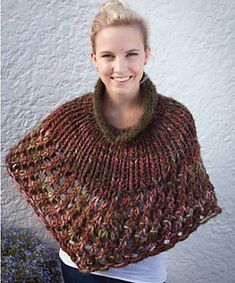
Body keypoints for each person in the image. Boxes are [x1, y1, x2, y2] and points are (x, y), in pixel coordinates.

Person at [5, 1, 222, 283]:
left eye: (131, 54)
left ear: (146, 55)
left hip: (143, 273)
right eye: (108, 55)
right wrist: (69, 218)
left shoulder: (175, 121)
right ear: (94, 58)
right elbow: (27, 162)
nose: (120, 67)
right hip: (78, 269)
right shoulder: (71, 119)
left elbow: (189, 196)